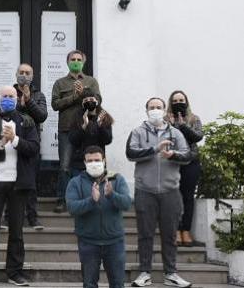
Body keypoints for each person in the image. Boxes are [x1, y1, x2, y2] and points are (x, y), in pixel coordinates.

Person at [0, 85, 40, 287]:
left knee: (16, 231)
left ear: (17, 98)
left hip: (18, 184)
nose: (7, 99)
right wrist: (0, 143)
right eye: (4, 96)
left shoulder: (27, 122)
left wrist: (15, 140)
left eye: (11, 96)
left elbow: (34, 149)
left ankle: (15, 272)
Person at [126, 97, 193, 288]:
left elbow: (187, 155)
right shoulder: (137, 132)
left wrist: (173, 155)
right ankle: (144, 272)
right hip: (145, 191)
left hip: (170, 191)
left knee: (170, 234)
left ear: (164, 110)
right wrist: (155, 149)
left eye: (158, 107)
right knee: (145, 234)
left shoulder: (176, 133)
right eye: (151, 107)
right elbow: (131, 153)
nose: (155, 110)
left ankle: (171, 273)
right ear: (146, 110)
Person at [66, 145, 131, 288]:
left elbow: (127, 203)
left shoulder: (117, 179)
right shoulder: (75, 182)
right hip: (88, 243)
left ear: (104, 160)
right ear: (84, 162)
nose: (93, 163)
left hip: (114, 243)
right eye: (90, 161)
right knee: (89, 284)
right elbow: (72, 208)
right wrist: (91, 201)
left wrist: (112, 195)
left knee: (118, 284)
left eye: (97, 160)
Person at [51, 50, 101, 213]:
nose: (76, 61)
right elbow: (55, 104)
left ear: (83, 62)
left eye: (79, 59)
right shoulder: (60, 83)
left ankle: (89, 198)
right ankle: (62, 200)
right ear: (67, 62)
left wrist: (86, 95)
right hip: (66, 129)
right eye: (73, 59)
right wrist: (74, 96)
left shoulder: (91, 81)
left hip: (87, 129)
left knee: (89, 164)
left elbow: (98, 100)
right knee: (64, 166)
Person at [1, 63, 48, 230]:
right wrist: (19, 103)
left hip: (30, 144)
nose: (24, 75)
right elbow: (2, 113)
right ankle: (7, 218)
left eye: (27, 73)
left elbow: (42, 116)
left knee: (30, 183)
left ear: (32, 76)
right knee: (9, 181)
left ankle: (33, 218)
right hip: (9, 143)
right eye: (21, 72)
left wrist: (28, 101)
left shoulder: (39, 95)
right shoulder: (9, 93)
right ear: (16, 74)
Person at [166, 90, 203, 247]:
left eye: (181, 100)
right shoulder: (165, 119)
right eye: (175, 101)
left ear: (186, 101)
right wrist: (173, 124)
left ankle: (185, 230)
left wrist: (183, 126)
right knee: (173, 198)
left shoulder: (194, 119)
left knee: (188, 197)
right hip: (172, 162)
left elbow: (198, 136)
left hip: (191, 162)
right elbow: (164, 137)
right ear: (170, 103)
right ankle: (175, 230)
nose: (178, 103)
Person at [68, 91, 113, 177]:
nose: (89, 101)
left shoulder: (104, 117)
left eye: (91, 99)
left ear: (96, 102)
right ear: (82, 103)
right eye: (86, 100)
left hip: (97, 162)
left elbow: (108, 140)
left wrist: (100, 125)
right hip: (79, 164)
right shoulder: (76, 117)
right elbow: (73, 140)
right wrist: (84, 126)